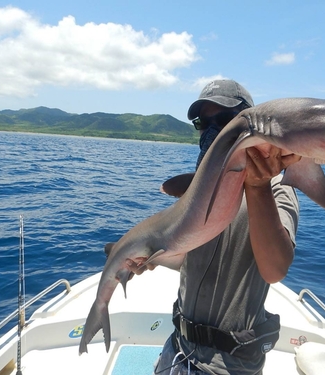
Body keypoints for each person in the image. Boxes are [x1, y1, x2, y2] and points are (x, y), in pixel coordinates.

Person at [128, 79, 301, 374]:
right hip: (177, 349)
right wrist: (153, 258)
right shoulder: (198, 188)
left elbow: (275, 270)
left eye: (223, 120)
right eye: (202, 123)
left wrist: (257, 187)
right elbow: (190, 258)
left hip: (228, 366)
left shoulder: (277, 187)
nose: (211, 131)